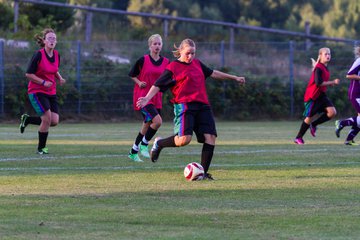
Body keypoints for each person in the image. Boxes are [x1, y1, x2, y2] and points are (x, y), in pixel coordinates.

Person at [137, 38, 245, 180]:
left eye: (193, 53)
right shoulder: (173, 67)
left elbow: (213, 73)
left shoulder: (197, 64)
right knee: (184, 140)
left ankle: (203, 173)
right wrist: (146, 98)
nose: (190, 56)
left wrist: (234, 78)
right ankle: (159, 143)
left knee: (211, 137)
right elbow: (157, 84)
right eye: (187, 53)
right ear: (180, 51)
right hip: (184, 106)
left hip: (203, 106)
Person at [19, 28, 66, 154]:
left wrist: (60, 78)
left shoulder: (56, 55)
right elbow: (28, 74)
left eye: (54, 38)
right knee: (46, 119)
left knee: (54, 121)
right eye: (49, 38)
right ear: (44, 41)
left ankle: (27, 120)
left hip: (51, 91)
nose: (52, 40)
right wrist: (44, 82)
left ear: (56, 42)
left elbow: (54, 69)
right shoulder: (38, 55)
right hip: (37, 90)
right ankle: (41, 148)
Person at [127, 34, 169, 162]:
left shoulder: (166, 62)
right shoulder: (142, 60)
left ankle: (133, 152)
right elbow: (132, 74)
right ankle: (144, 144)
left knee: (147, 124)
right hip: (143, 97)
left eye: (159, 44)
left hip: (156, 97)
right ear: (150, 46)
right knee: (158, 122)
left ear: (161, 45)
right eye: (154, 44)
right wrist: (139, 82)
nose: (157, 46)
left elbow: (168, 78)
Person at [294, 47, 340, 145]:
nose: (328, 56)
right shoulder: (319, 67)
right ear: (320, 56)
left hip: (321, 95)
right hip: (313, 96)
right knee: (309, 117)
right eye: (325, 54)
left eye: (329, 54)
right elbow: (318, 83)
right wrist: (332, 82)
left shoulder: (324, 67)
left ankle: (314, 125)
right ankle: (298, 138)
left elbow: (322, 82)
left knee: (332, 112)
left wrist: (329, 83)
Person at [335, 46, 360, 145]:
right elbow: (349, 75)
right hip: (355, 93)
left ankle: (349, 140)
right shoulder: (359, 61)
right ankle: (342, 123)